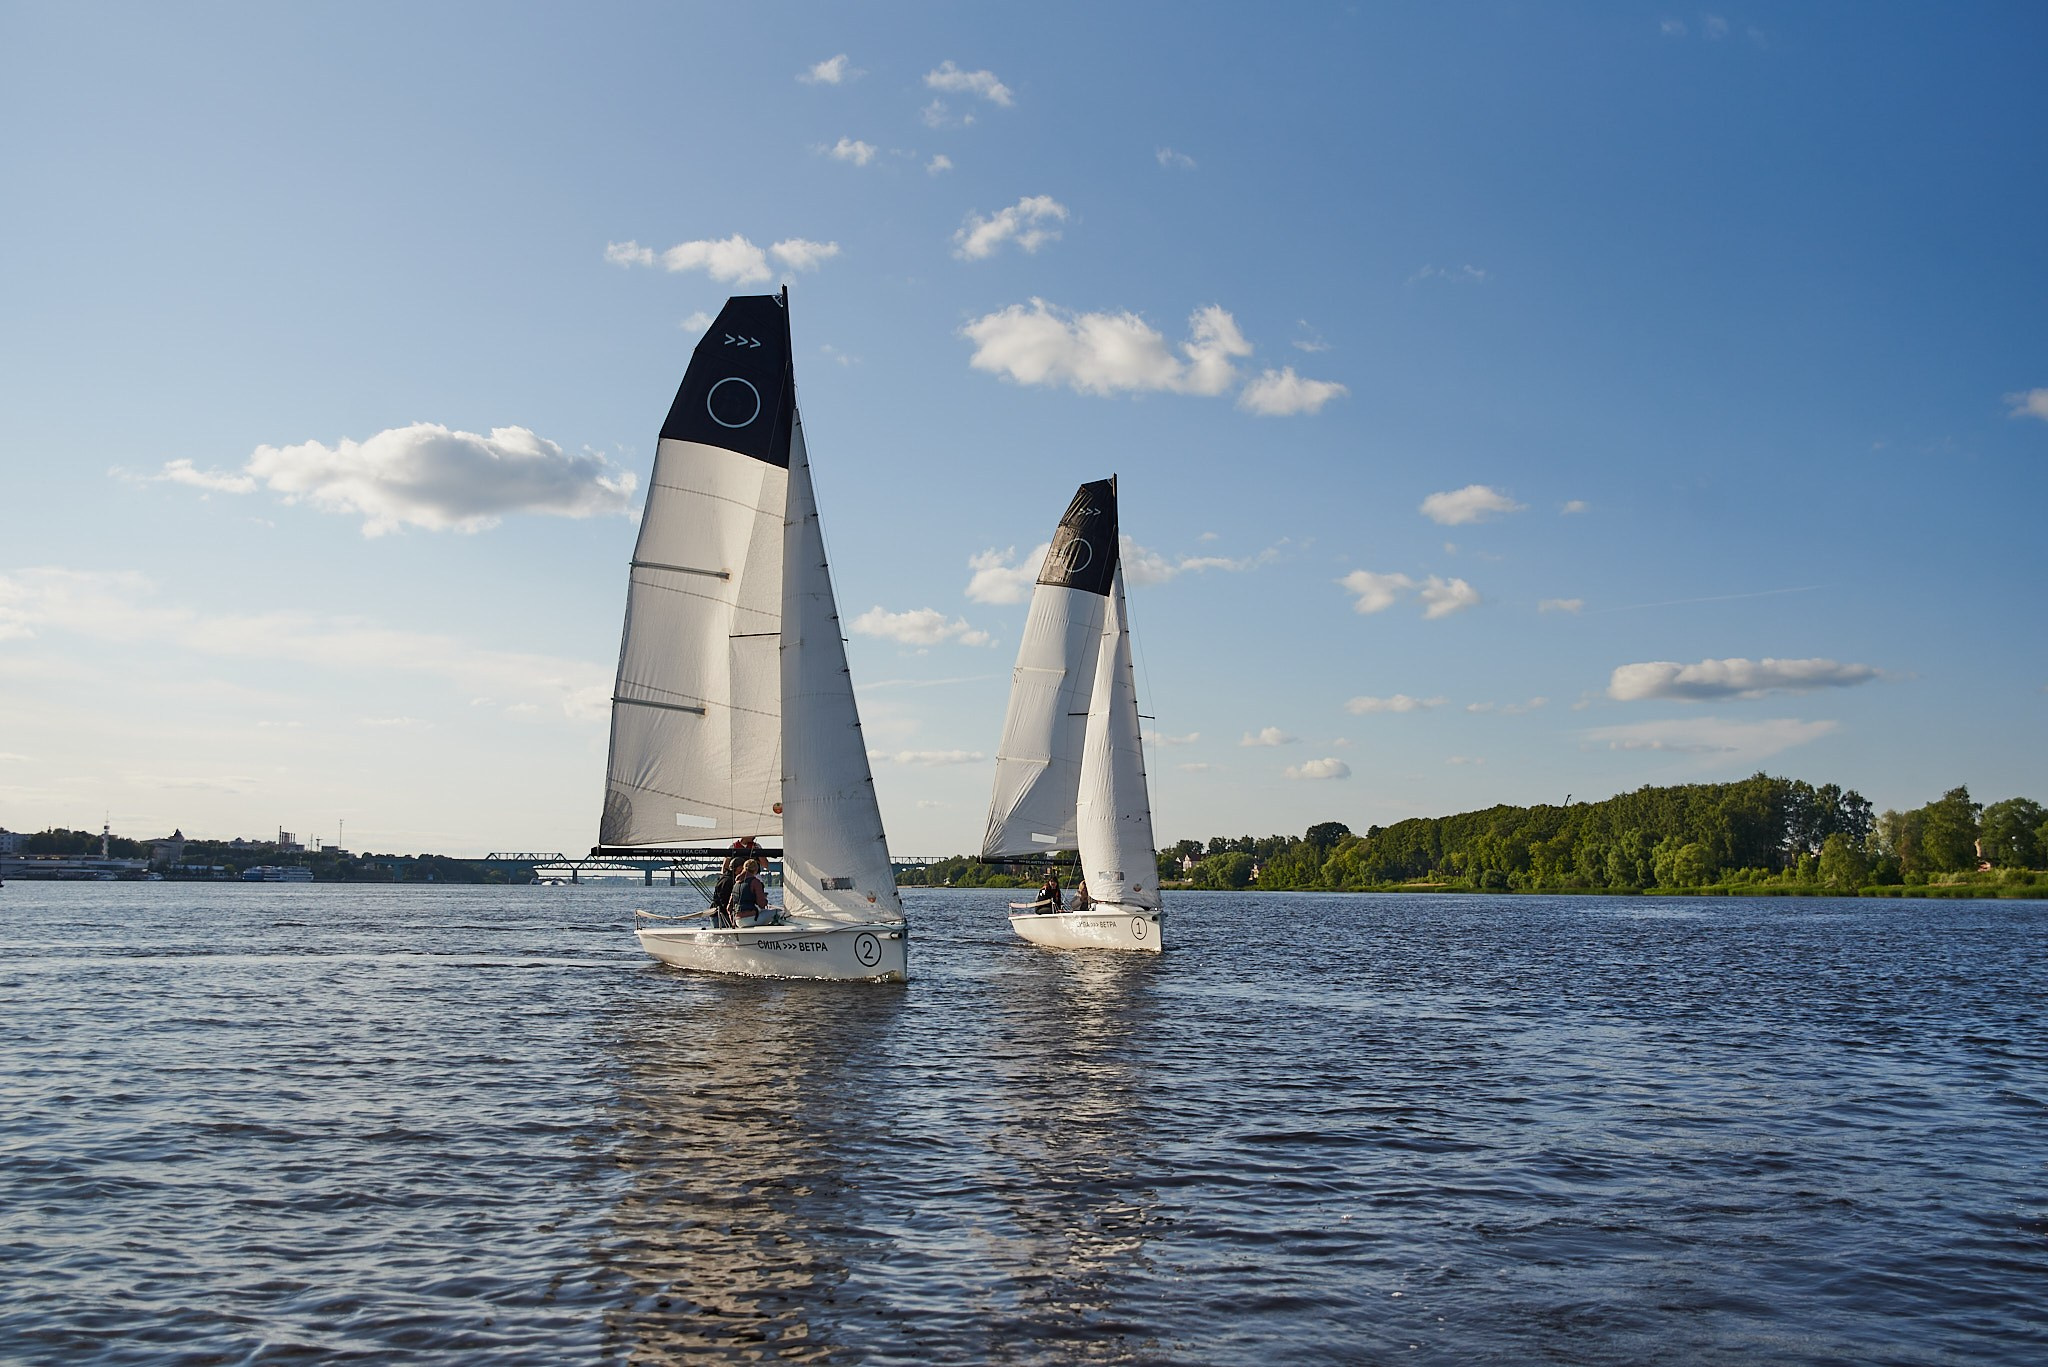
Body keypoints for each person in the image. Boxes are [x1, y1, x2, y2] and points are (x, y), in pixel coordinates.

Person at [732, 858, 769, 927]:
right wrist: (765, 900)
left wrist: (733, 923)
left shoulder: (736, 884)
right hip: (751, 919)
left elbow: (729, 907)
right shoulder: (755, 882)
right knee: (777, 912)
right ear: (756, 869)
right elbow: (761, 904)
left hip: (738, 921)